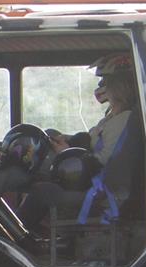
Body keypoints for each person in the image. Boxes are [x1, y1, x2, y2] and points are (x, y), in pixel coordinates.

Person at [15, 54, 139, 232]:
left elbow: (103, 162)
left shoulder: (123, 120)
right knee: (48, 136)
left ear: (118, 87)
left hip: (101, 189)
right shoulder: (113, 116)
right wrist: (66, 139)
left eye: (104, 81)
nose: (101, 86)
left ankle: (20, 236)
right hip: (93, 180)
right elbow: (91, 139)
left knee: (41, 191)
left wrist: (66, 152)